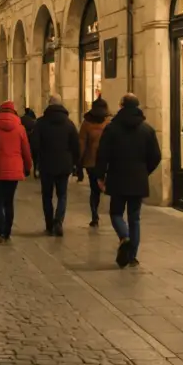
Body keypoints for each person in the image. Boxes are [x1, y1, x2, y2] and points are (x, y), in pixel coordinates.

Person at [95, 94, 162, 268]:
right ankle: (132, 256)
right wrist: (145, 171)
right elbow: (156, 156)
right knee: (135, 218)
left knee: (116, 213)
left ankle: (124, 236)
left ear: (121, 105)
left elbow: (102, 154)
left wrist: (100, 176)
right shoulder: (147, 130)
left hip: (117, 177)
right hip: (138, 179)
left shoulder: (112, 129)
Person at [0, 101, 32, 243]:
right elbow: (26, 150)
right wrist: (27, 167)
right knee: (9, 201)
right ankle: (7, 232)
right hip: (14, 170)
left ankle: (0, 233)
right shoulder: (20, 128)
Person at [32, 95, 80, 236]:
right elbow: (76, 146)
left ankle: (49, 224)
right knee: (62, 195)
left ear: (49, 104)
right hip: (64, 164)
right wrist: (75, 163)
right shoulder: (69, 124)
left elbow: (34, 145)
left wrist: (37, 160)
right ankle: (58, 221)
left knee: (47, 196)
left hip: (46, 164)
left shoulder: (41, 123)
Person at [79, 96, 111, 227]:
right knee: (103, 187)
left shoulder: (86, 124)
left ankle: (94, 214)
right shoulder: (108, 123)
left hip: (91, 162)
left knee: (94, 190)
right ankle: (111, 213)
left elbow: (82, 143)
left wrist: (79, 161)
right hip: (107, 161)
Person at [20, 107, 38, 178]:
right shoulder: (33, 121)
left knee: (23, 155)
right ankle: (35, 171)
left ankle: (24, 170)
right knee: (34, 157)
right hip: (32, 141)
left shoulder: (21, 119)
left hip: (23, 139)